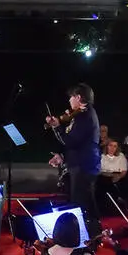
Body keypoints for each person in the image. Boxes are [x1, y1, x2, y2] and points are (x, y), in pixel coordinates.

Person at [45, 83, 102, 235]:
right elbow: (77, 144)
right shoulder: (80, 115)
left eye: (71, 97)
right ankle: (92, 234)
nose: (69, 101)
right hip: (81, 163)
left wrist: (57, 127)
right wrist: (62, 156)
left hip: (84, 166)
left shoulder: (86, 116)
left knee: (81, 203)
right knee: (84, 201)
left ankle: (87, 236)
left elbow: (71, 141)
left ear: (78, 97)